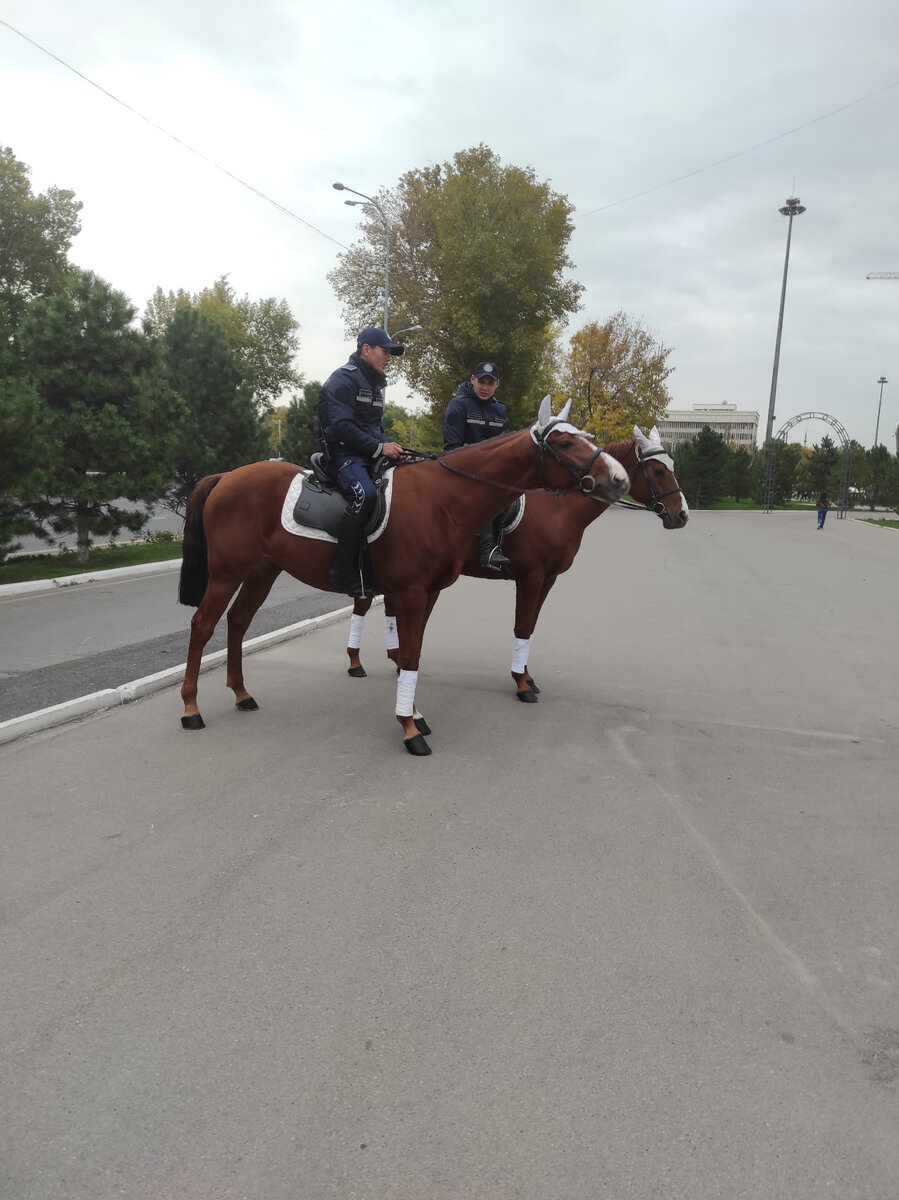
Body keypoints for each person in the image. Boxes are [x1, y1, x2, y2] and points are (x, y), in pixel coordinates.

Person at [317, 327, 407, 595]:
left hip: (367, 456)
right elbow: (341, 426)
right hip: (343, 457)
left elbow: (372, 427)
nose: (389, 357)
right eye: (385, 351)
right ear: (366, 349)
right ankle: (343, 571)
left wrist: (394, 449)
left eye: (391, 353)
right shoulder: (343, 380)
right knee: (365, 496)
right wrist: (380, 447)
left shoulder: (374, 384)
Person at [443, 361, 511, 569]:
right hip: (462, 470)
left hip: (492, 471)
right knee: (486, 493)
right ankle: (488, 550)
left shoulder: (500, 410)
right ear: (472, 379)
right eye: (481, 381)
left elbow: (504, 446)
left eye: (490, 383)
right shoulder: (459, 404)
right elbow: (452, 448)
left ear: (497, 384)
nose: (485, 387)